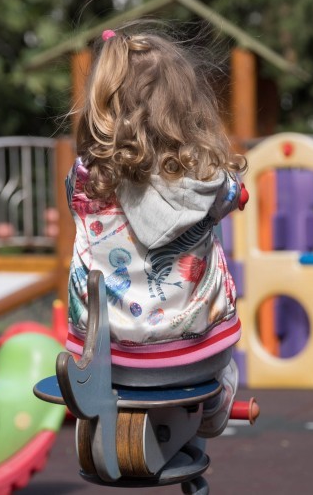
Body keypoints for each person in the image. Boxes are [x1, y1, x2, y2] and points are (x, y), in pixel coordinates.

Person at [64, 24, 248, 438]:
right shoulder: (210, 180)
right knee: (212, 260)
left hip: (104, 357)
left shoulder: (85, 179)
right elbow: (233, 194)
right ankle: (213, 402)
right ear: (187, 107)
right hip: (195, 354)